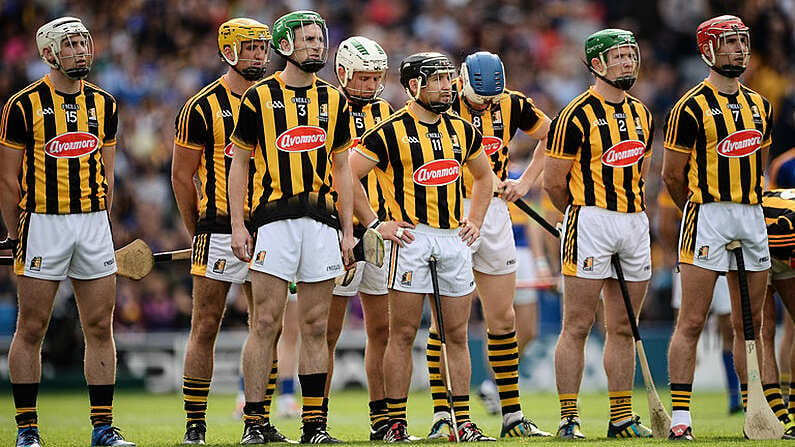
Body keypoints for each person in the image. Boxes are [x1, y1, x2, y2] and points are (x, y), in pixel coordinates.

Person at [0, 17, 134, 447]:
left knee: (99, 326)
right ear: (48, 53)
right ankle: (27, 430)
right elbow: (7, 180)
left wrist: (102, 224)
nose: (81, 50)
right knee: (32, 327)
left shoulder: (106, 104)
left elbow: (108, 174)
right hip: (42, 222)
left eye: (84, 42)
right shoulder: (22, 105)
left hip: (93, 222)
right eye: (70, 44)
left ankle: (103, 428)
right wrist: (15, 231)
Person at [349, 51, 494, 442]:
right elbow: (347, 174)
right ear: (414, 86)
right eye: (439, 80)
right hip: (411, 238)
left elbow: (484, 177)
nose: (449, 87)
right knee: (403, 334)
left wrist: (476, 220)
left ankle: (461, 421)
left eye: (450, 79)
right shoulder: (389, 130)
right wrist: (377, 224)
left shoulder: (463, 130)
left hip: (453, 237)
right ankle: (396, 423)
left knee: (458, 335)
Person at [227, 10, 355, 444]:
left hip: (322, 223)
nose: (317, 46)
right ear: (285, 45)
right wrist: (238, 225)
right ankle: (255, 424)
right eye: (307, 40)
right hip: (273, 222)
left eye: (320, 39)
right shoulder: (259, 96)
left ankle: (314, 427)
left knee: (316, 326)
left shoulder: (335, 99)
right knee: (265, 323)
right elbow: (239, 163)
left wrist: (348, 231)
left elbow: (342, 169)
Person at [172, 18, 293, 444]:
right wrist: (197, 231)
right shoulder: (201, 106)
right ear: (228, 52)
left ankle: (257, 421)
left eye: (264, 47)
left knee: (267, 325)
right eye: (251, 48)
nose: (260, 55)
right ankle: (195, 424)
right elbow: (181, 176)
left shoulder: (279, 99)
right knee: (205, 325)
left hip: (270, 227)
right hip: (218, 228)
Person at [424, 51, 551, 439]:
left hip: (494, 211)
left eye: (490, 100)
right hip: (447, 210)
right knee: (447, 323)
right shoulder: (441, 101)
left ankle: (512, 415)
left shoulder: (511, 102)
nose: (485, 106)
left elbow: (552, 134)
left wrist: (525, 182)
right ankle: (443, 413)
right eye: (479, 99)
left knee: (504, 318)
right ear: (461, 81)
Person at [662, 15, 774, 440]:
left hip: (749, 213)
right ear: (708, 50)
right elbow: (673, 175)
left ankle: (755, 412)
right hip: (706, 213)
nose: (739, 50)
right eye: (729, 43)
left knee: (751, 325)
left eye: (743, 42)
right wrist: (696, 210)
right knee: (691, 320)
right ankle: (681, 418)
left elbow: (759, 164)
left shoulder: (760, 104)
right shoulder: (688, 106)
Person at [544, 29, 654, 439]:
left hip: (633, 221)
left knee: (624, 325)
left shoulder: (644, 113)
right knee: (577, 325)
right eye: (619, 56)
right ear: (596, 64)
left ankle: (621, 417)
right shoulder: (575, 114)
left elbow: (640, 170)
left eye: (631, 54)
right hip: (589, 219)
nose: (628, 62)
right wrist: (577, 216)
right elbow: (554, 183)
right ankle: (569, 417)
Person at [324, 35, 395, 441]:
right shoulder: (325, 107)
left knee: (381, 331)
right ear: (345, 73)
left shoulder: (387, 111)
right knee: (327, 333)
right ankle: (317, 420)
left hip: (379, 232)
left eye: (375, 78)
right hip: (337, 232)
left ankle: (381, 420)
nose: (370, 86)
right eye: (363, 78)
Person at [657, 188, 742, 414]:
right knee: (688, 327)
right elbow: (665, 225)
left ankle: (735, 397)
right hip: (692, 255)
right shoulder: (678, 183)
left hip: (712, 254)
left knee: (725, 327)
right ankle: (682, 405)